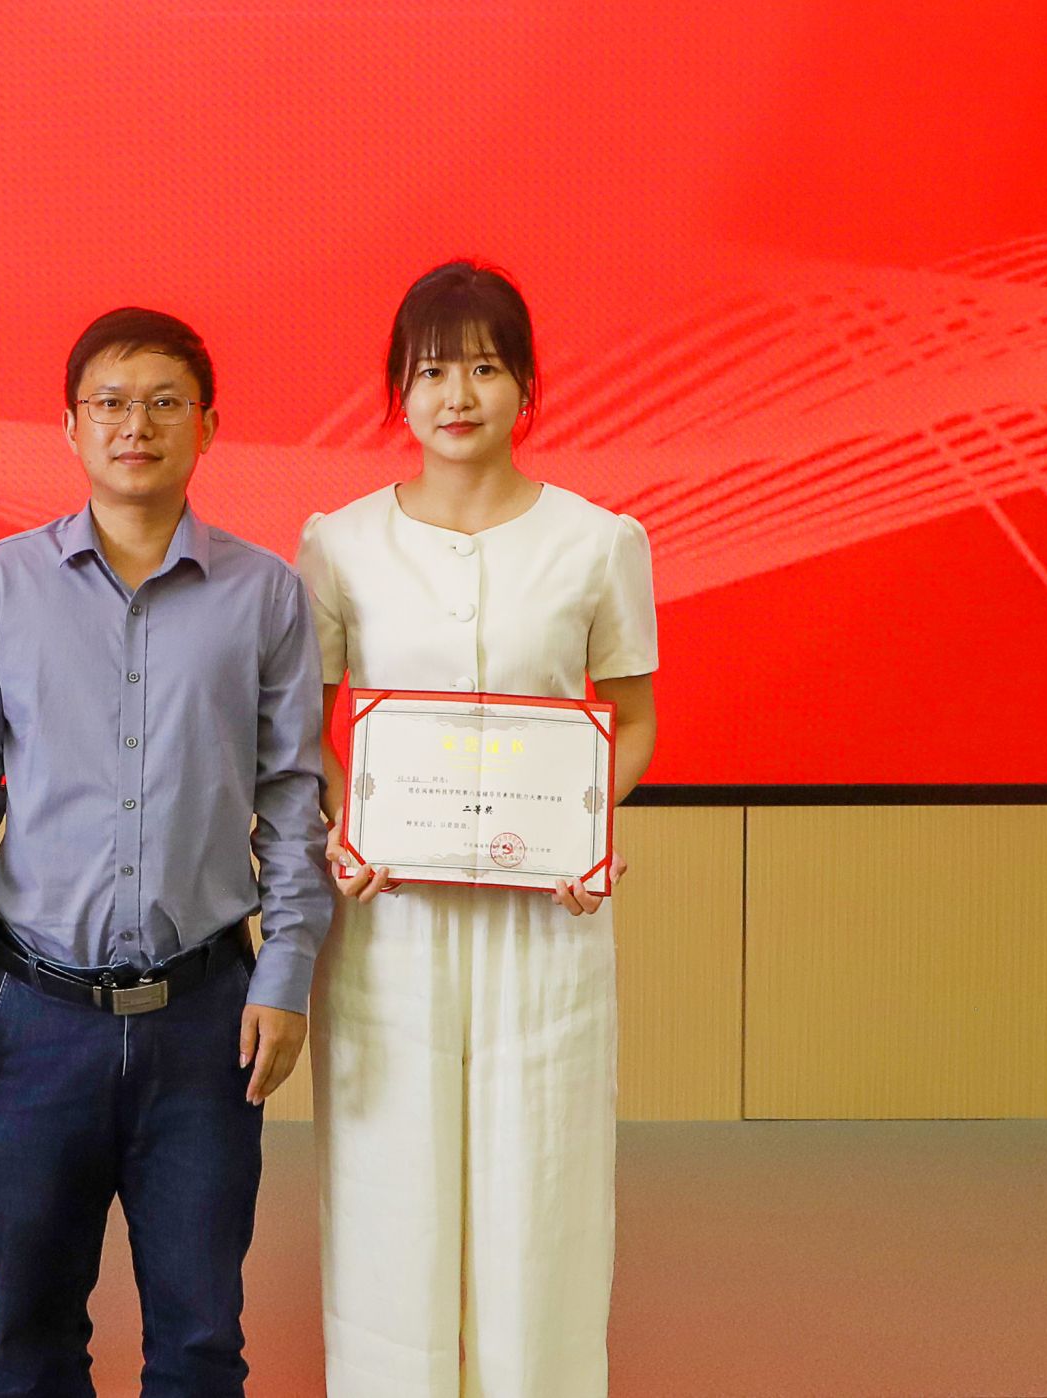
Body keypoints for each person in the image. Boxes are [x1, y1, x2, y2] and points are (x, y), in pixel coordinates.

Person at [0, 308, 334, 1398]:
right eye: (108, 402)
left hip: (206, 1019)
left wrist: (287, 974)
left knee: (200, 1343)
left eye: (162, 402)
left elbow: (293, 794)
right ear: (69, 426)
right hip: (33, 1016)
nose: (134, 425)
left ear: (207, 424)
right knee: (32, 1338)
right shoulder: (0, 583)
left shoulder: (265, 593)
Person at [296, 260, 659, 1398]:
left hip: (543, 921)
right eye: (431, 372)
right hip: (389, 921)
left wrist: (586, 829)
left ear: (526, 386)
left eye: (486, 369)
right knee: (387, 1193)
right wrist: (343, 823)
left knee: (540, 1190)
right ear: (397, 392)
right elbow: (305, 728)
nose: (457, 396)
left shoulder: (596, 541)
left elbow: (634, 718)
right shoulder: (340, 544)